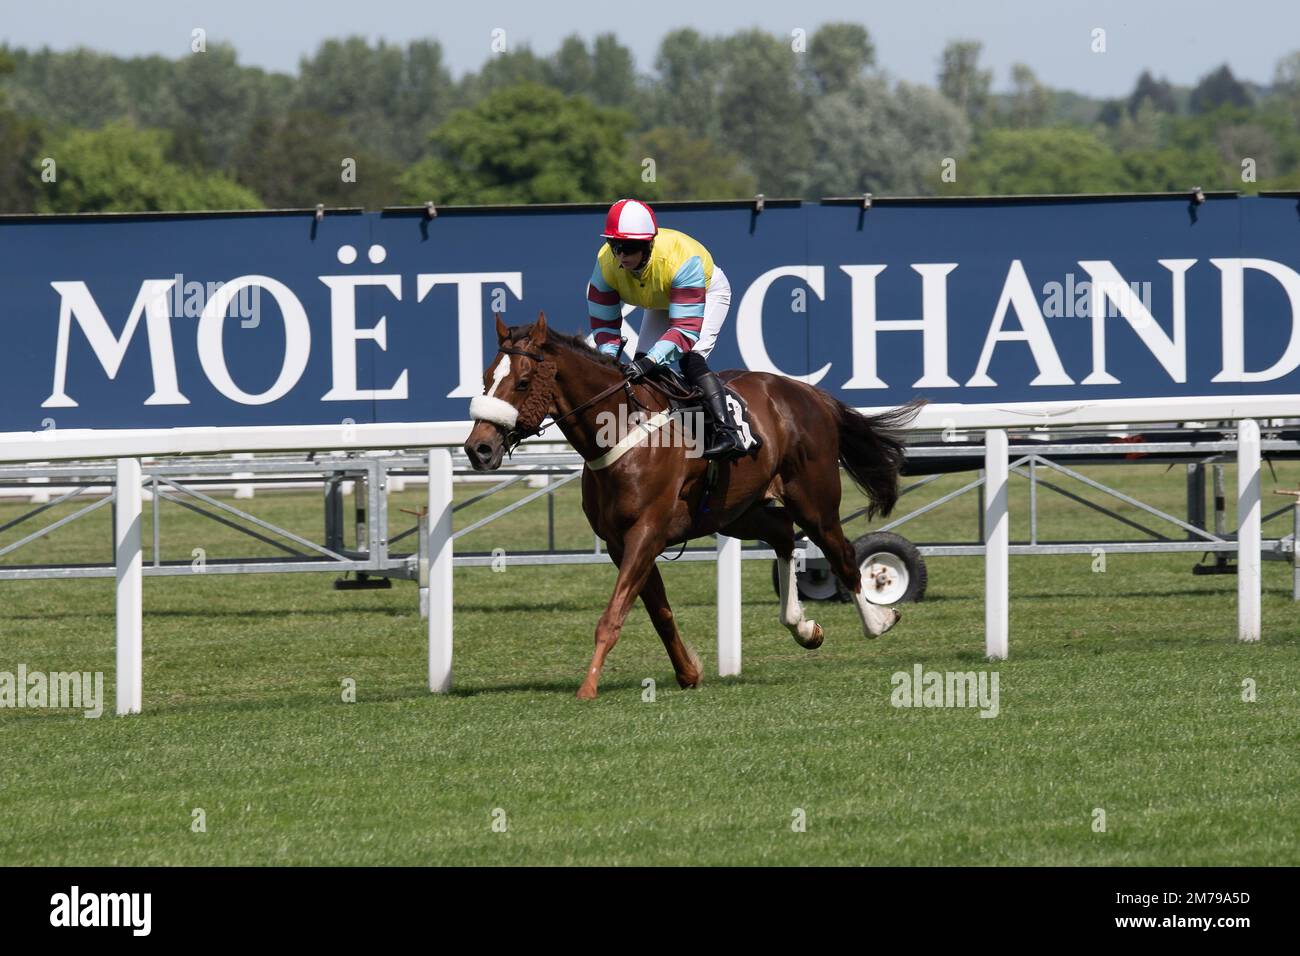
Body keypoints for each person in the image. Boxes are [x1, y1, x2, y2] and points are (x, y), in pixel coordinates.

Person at [586, 198, 745, 460]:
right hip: (660, 298)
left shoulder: (682, 261)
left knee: (689, 359)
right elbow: (605, 326)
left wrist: (650, 362)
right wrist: (609, 359)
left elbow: (684, 331)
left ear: (648, 245)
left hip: (704, 292)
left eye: (628, 248)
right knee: (640, 369)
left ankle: (727, 431)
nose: (620, 256)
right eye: (614, 246)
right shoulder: (605, 263)